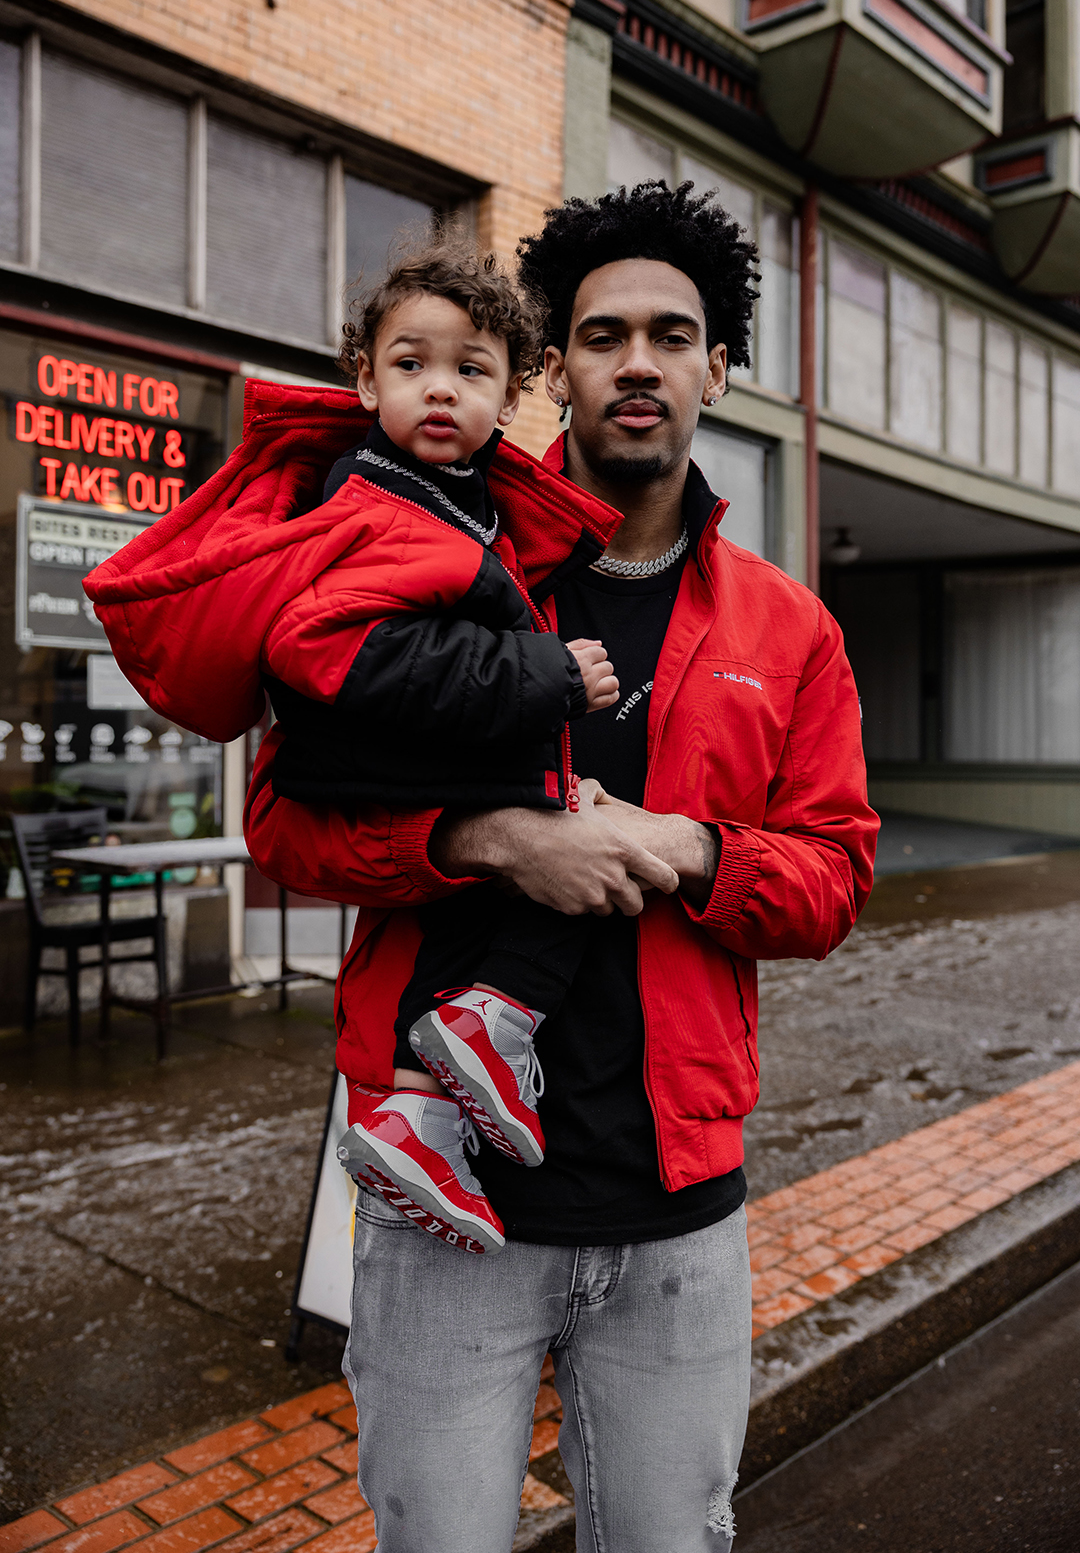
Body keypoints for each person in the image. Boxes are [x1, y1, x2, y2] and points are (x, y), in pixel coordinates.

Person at [86, 180, 878, 1553]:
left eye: (672, 335)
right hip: (440, 1207)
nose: (639, 361)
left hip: (675, 1215)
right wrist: (494, 838)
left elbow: (832, 882)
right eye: (603, 333)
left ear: (717, 367)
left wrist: (684, 848)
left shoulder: (789, 627)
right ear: (550, 371)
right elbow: (281, 821)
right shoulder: (433, 560)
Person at [268, 240, 669, 1253]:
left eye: (470, 370)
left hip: (658, 1172)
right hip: (386, 761)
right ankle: (495, 1017)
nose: (440, 390)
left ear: (513, 391)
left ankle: (423, 1111)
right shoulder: (377, 494)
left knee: (541, 850)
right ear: (363, 376)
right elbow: (350, 652)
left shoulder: (461, 502)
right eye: (412, 364)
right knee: (566, 828)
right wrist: (550, 678)